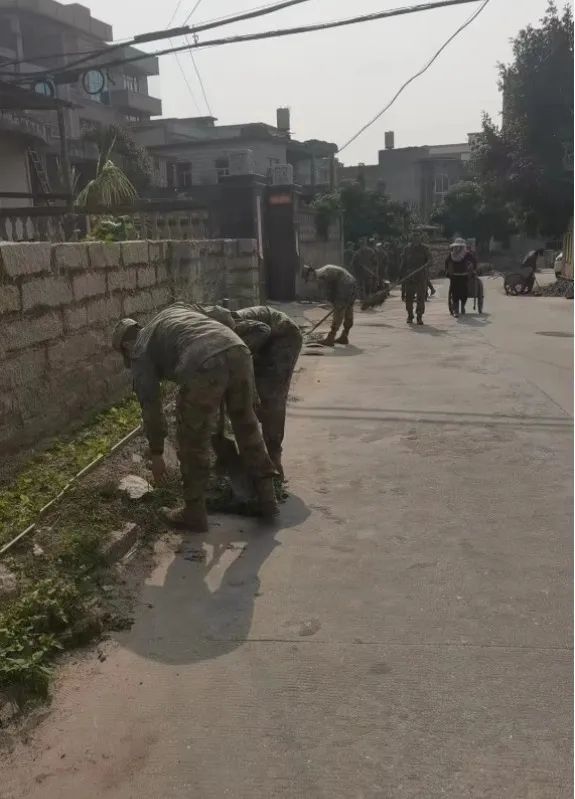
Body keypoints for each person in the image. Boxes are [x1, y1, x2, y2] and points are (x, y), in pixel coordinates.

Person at [112, 305, 278, 533]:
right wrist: (222, 353)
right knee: (246, 424)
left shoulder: (139, 349)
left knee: (192, 438)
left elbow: (150, 404)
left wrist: (157, 452)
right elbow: (222, 314)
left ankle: (194, 512)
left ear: (125, 347)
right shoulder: (175, 311)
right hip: (238, 348)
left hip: (202, 362)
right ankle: (267, 498)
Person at [232, 306, 303, 480]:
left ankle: (274, 458)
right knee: (254, 394)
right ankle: (257, 454)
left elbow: (262, 331)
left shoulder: (232, 329)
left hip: (284, 335)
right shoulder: (216, 334)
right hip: (264, 340)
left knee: (272, 398)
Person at [304, 263, 357, 346]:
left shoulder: (323, 274)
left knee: (339, 311)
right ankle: (344, 336)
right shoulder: (323, 272)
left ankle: (331, 338)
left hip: (344, 287)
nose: (310, 281)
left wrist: (337, 303)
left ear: (310, 273)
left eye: (308, 278)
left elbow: (331, 291)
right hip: (351, 284)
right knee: (348, 309)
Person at [400, 231, 432, 324]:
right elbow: (403, 263)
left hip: (421, 276)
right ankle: (410, 315)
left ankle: (419, 316)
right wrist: (401, 275)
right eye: (414, 236)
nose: (416, 238)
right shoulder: (407, 249)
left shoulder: (425, 249)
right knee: (409, 298)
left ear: (420, 238)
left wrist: (428, 263)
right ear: (412, 238)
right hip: (409, 277)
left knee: (420, 298)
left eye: (417, 236)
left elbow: (430, 260)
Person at [445, 237, 474, 317]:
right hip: (454, 276)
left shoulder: (467, 255)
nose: (458, 248)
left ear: (462, 247)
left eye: (460, 246)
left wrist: (472, 268)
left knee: (464, 293)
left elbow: (473, 261)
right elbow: (446, 263)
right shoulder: (451, 255)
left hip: (464, 276)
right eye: (457, 246)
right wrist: (448, 271)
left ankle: (463, 305)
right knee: (455, 293)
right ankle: (455, 310)